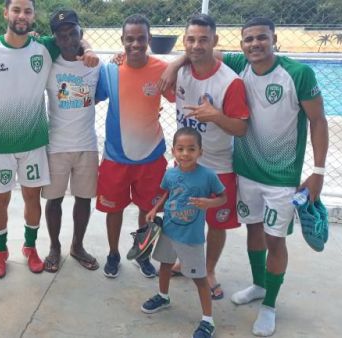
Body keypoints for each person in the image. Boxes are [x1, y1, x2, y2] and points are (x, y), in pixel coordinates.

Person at [0, 0, 97, 278]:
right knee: (0, 201)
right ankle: (0, 251)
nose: (21, 15)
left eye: (27, 11)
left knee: (32, 198)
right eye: (16, 10)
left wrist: (88, 49)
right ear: (5, 13)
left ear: (33, 16)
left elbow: (76, 38)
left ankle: (30, 247)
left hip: (34, 140)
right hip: (0, 142)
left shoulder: (46, 47)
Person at [224, 17, 328, 336]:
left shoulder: (297, 73)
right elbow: (199, 51)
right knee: (253, 229)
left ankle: (269, 305)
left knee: (275, 239)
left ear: (274, 39)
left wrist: (318, 173)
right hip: (246, 170)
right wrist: (174, 67)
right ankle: (258, 285)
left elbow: (319, 121)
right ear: (241, 44)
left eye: (261, 38)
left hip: (282, 179)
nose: (255, 44)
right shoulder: (237, 63)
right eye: (249, 39)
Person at [171, 14, 249, 301]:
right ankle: (186, 260)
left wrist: (216, 116)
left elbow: (241, 128)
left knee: (217, 223)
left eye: (204, 39)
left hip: (218, 167)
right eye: (191, 39)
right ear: (184, 42)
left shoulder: (231, 82)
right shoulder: (180, 73)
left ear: (215, 41)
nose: (196, 45)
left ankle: (210, 269)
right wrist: (174, 64)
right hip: (186, 164)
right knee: (184, 217)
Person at [95, 14, 175, 278]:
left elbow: (179, 98)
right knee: (113, 209)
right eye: (130, 39)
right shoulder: (110, 70)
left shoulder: (162, 69)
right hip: (116, 157)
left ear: (149, 39)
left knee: (148, 211)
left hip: (151, 156)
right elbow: (88, 96)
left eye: (141, 38)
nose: (136, 44)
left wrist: (178, 64)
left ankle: (141, 253)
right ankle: (114, 253)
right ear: (122, 41)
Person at [142, 127, 226, 338]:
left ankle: (208, 320)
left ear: (200, 152)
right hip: (169, 231)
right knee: (165, 266)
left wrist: (210, 202)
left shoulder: (207, 176)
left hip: (191, 238)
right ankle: (163, 296)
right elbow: (167, 193)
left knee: (199, 278)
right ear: (173, 151)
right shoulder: (170, 173)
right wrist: (154, 209)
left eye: (191, 149)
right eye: (180, 149)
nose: (185, 154)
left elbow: (223, 198)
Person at [41, 9, 101, 273]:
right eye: (61, 35)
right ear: (55, 39)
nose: (68, 39)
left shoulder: (96, 64)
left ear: (81, 33)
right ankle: (55, 247)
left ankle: (77, 245)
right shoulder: (48, 67)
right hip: (56, 146)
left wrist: (89, 49)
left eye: (73, 33)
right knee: (53, 200)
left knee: (84, 199)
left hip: (87, 144)